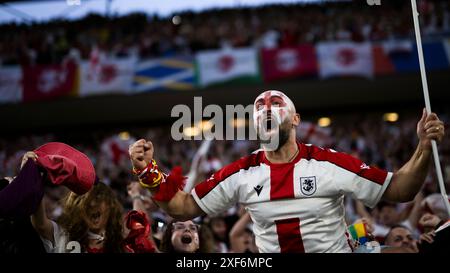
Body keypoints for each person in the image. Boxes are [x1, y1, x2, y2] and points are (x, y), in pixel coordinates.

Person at [129, 90, 445, 253]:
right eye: (259, 108)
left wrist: (422, 146)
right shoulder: (242, 172)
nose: (266, 109)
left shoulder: (329, 163)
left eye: (276, 104)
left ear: (295, 120)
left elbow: (401, 190)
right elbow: (183, 207)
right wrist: (149, 172)